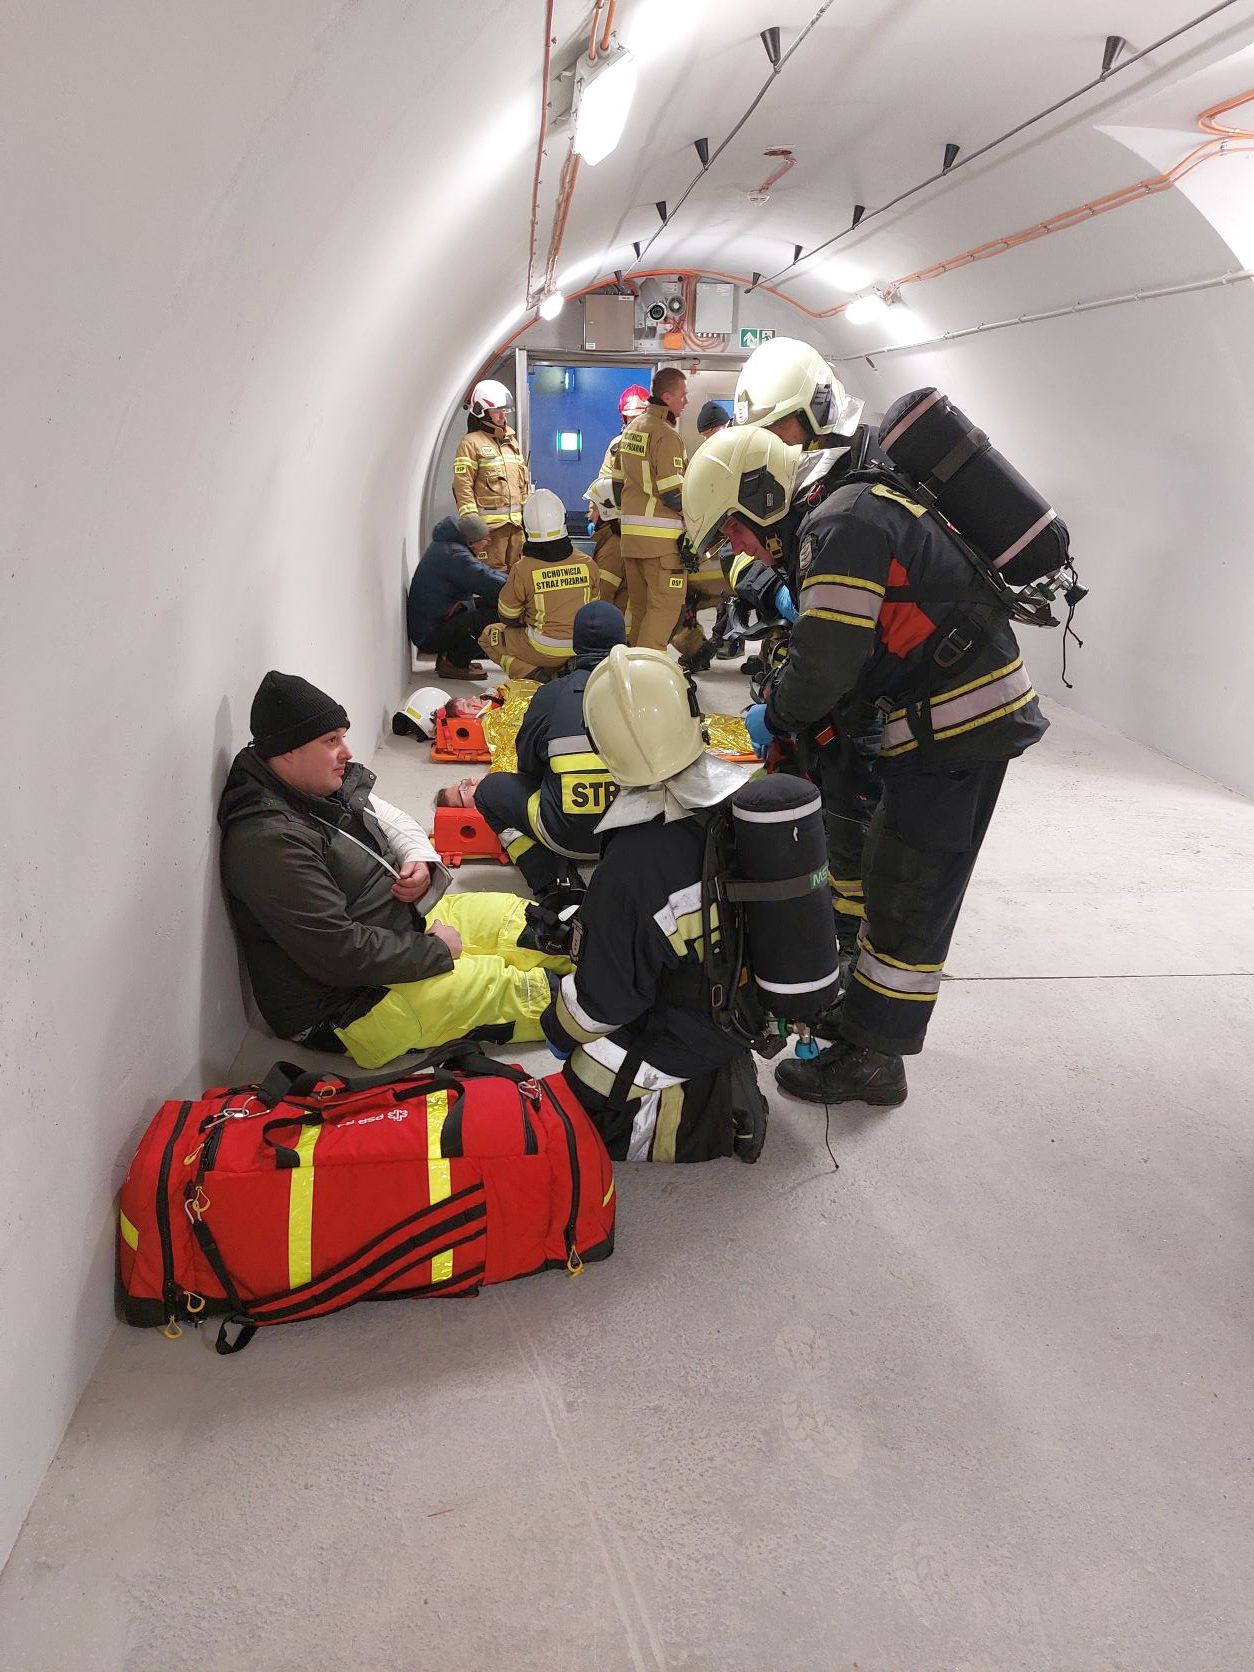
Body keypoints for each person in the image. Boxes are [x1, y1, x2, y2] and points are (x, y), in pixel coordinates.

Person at [683, 377, 1049, 1108]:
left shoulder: (841, 527)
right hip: (940, 720)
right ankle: (867, 1023)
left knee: (910, 891)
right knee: (892, 871)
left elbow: (828, 661)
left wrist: (776, 717)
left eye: (732, 530)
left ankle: (877, 1060)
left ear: (761, 497)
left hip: (959, 724)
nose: (735, 547)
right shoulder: (839, 514)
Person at [218, 672, 571, 1070]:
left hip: (394, 925)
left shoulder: (311, 786)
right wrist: (437, 951)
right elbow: (338, 953)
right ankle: (599, 1004)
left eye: (342, 737)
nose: (347, 751)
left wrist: (417, 858)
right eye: (331, 741)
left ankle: (597, 956)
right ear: (287, 752)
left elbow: (393, 819)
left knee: (513, 918)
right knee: (506, 986)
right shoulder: (270, 843)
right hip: (348, 1000)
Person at [541, 645, 769, 1164]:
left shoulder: (631, 866)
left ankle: (712, 1117)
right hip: (747, 996)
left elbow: (602, 1006)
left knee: (581, 1099)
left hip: (698, 1022)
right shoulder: (742, 800)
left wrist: (557, 1026)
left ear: (602, 744)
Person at [471, 602, 627, 893]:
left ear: (575, 645)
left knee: (489, 791)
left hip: (565, 836)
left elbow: (527, 767)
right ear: (623, 641)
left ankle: (549, 882)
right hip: (631, 834)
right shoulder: (647, 691)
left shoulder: (551, 695)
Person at [479, 488, 599, 680]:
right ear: (563, 520)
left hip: (542, 647)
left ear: (526, 527)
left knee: (489, 636)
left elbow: (507, 615)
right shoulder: (587, 563)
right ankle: (562, 671)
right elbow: (594, 610)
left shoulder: (522, 569)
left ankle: (534, 675)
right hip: (580, 646)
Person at [617, 366, 689, 651]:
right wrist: (699, 519)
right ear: (667, 397)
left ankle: (633, 669)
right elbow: (674, 494)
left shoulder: (632, 430)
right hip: (661, 544)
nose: (686, 401)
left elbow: (617, 484)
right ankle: (649, 670)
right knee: (663, 611)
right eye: (682, 395)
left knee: (640, 611)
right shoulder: (666, 436)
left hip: (631, 540)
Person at [671, 398, 734, 673]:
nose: (709, 439)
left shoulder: (729, 454)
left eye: (710, 433)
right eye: (706, 436)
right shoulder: (713, 456)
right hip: (725, 544)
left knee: (683, 590)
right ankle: (702, 647)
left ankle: (698, 647)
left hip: (732, 545)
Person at [406, 513, 504, 679]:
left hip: (434, 623)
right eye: (484, 540)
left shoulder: (448, 547)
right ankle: (454, 663)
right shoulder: (454, 556)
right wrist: (521, 588)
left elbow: (485, 574)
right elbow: (485, 580)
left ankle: (450, 657)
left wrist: (514, 582)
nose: (487, 543)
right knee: (495, 616)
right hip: (430, 635)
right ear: (471, 541)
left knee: (491, 604)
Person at [452, 379, 530, 572]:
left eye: (504, 411)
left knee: (518, 576)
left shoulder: (511, 442)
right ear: (482, 412)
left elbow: (523, 485)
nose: (503, 416)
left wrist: (528, 519)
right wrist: (474, 529)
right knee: (491, 579)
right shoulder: (470, 443)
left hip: (516, 529)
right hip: (489, 533)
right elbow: (462, 487)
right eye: (497, 411)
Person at [585, 476, 627, 614]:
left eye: (593, 509)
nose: (589, 516)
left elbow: (601, 599)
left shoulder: (612, 550)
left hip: (618, 625)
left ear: (607, 512)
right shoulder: (613, 543)